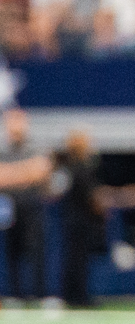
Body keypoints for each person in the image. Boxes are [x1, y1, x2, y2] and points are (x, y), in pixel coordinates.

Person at [0, 108, 51, 305]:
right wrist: (25, 172)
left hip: (33, 206)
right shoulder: (3, 150)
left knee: (36, 251)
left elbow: (40, 171)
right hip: (9, 207)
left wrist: (13, 174)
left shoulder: (35, 147)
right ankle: (15, 295)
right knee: (11, 251)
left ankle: (40, 294)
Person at [59, 130, 104, 309]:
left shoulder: (69, 168)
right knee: (78, 261)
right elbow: (92, 197)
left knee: (74, 259)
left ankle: (72, 296)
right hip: (81, 222)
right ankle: (79, 298)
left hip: (72, 221)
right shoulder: (82, 168)